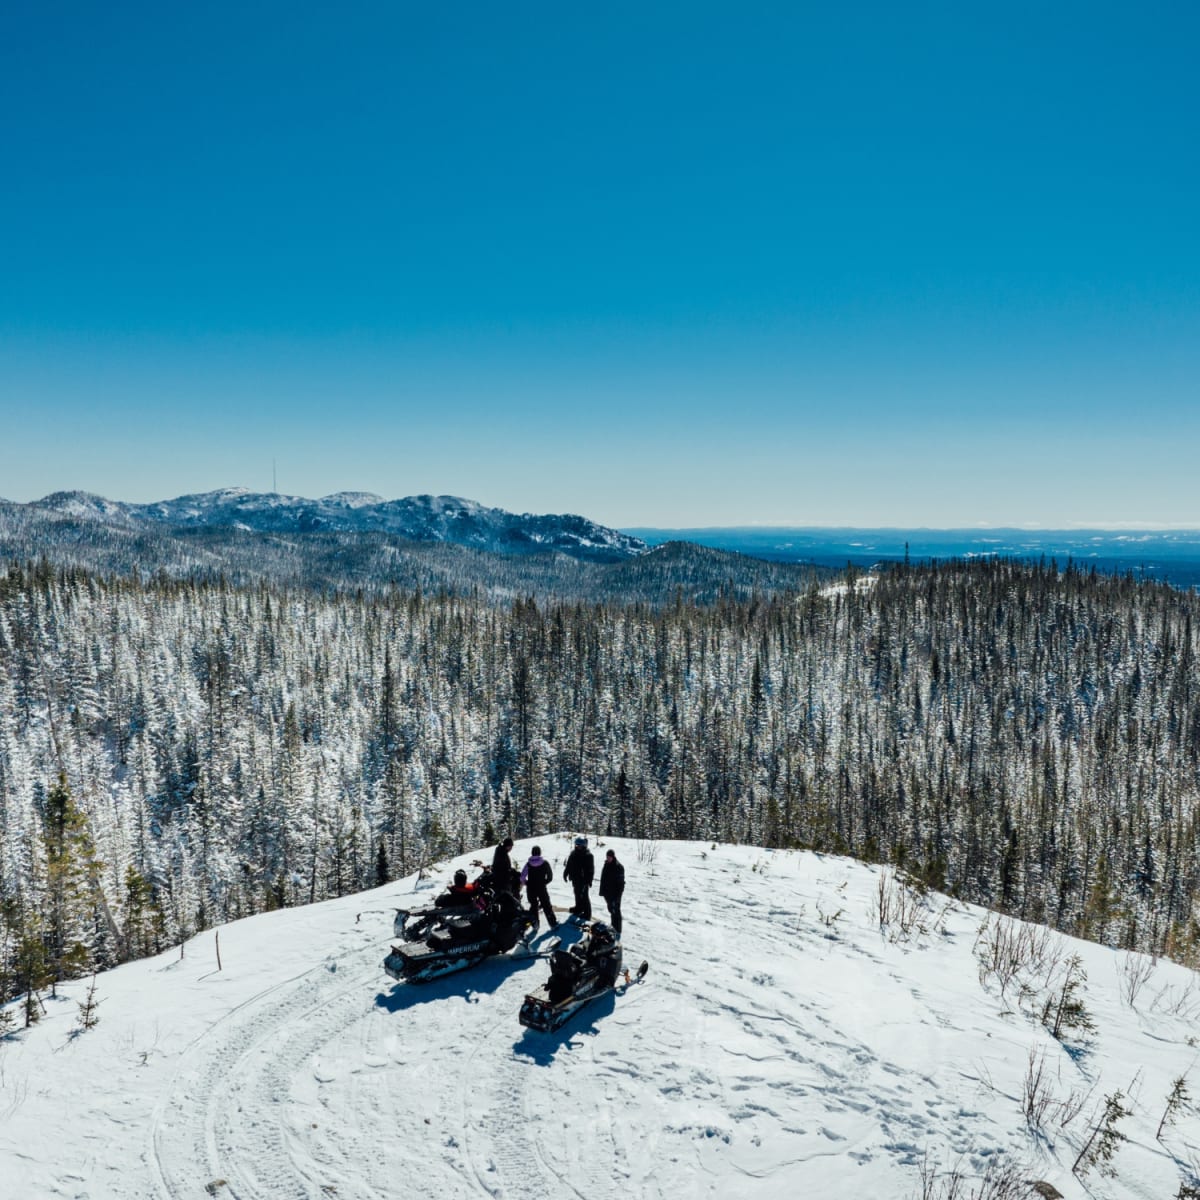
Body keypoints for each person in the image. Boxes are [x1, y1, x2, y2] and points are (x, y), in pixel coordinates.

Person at [520, 845, 557, 930]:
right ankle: (553, 924)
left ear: (532, 853)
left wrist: (526, 883)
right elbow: (550, 877)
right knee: (546, 905)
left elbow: (522, 877)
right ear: (540, 853)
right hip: (541, 888)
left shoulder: (528, 864)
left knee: (533, 906)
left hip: (531, 888)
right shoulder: (545, 863)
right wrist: (544, 882)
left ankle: (535, 925)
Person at [564, 836, 595, 920]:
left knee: (584, 896)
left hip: (583, 880)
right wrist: (565, 873)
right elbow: (569, 864)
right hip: (575, 878)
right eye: (576, 845)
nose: (577, 847)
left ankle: (587, 914)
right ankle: (578, 908)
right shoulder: (573, 853)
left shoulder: (588, 855)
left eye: (579, 845)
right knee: (577, 894)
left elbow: (591, 870)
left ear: (584, 846)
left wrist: (589, 881)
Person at [599, 848, 625, 936]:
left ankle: (618, 929)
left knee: (616, 910)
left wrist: (618, 897)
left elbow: (621, 884)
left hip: (615, 893)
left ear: (613, 857)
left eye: (610, 857)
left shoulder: (619, 867)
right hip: (607, 893)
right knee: (611, 909)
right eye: (607, 857)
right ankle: (614, 926)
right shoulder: (606, 864)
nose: (608, 858)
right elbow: (603, 878)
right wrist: (602, 891)